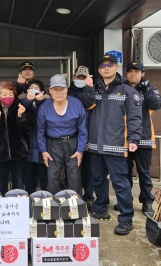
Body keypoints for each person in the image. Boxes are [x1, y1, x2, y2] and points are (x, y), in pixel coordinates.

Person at [85, 54, 142, 235]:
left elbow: (134, 117)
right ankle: (100, 207)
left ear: (116, 68)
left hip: (116, 144)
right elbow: (84, 110)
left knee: (120, 182)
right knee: (98, 179)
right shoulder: (94, 90)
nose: (106, 68)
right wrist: (87, 88)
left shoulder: (127, 91)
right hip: (95, 145)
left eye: (110, 65)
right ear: (99, 70)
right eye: (103, 66)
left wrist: (133, 139)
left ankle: (126, 218)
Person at [122, 61, 161, 213]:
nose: (133, 74)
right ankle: (126, 201)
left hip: (144, 138)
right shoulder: (121, 89)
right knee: (124, 173)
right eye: (130, 71)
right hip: (124, 138)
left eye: (137, 71)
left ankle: (147, 202)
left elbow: (156, 105)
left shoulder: (149, 89)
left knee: (144, 172)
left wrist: (147, 89)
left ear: (143, 73)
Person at [37, 74, 87, 196]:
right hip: (53, 143)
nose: (59, 92)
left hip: (72, 142)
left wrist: (80, 150)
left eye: (62, 89)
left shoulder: (76, 104)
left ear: (67, 89)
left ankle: (75, 206)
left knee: (74, 175)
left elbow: (82, 130)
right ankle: (53, 206)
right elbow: (40, 131)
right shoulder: (44, 107)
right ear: (50, 91)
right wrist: (43, 150)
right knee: (53, 175)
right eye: (55, 89)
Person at [0, 81, 32, 196]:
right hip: (0, 152)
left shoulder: (20, 106)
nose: (8, 97)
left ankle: (19, 207)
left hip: (18, 151)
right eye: (4, 94)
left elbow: (29, 127)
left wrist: (21, 116)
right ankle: (1, 207)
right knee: (0, 183)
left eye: (10, 94)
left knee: (19, 182)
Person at [67, 66, 95, 211]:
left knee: (89, 169)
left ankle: (89, 197)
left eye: (84, 77)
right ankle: (71, 196)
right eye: (79, 77)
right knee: (73, 168)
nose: (81, 80)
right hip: (71, 136)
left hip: (88, 135)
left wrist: (89, 88)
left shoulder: (91, 90)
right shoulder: (67, 91)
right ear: (74, 76)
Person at [18, 79, 49, 194]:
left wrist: (40, 103)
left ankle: (46, 200)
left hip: (42, 147)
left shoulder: (47, 102)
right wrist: (28, 101)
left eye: (37, 87)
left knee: (44, 176)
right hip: (27, 146)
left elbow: (41, 119)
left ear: (42, 91)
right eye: (31, 87)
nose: (34, 89)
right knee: (28, 177)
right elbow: (24, 117)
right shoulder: (22, 101)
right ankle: (30, 199)